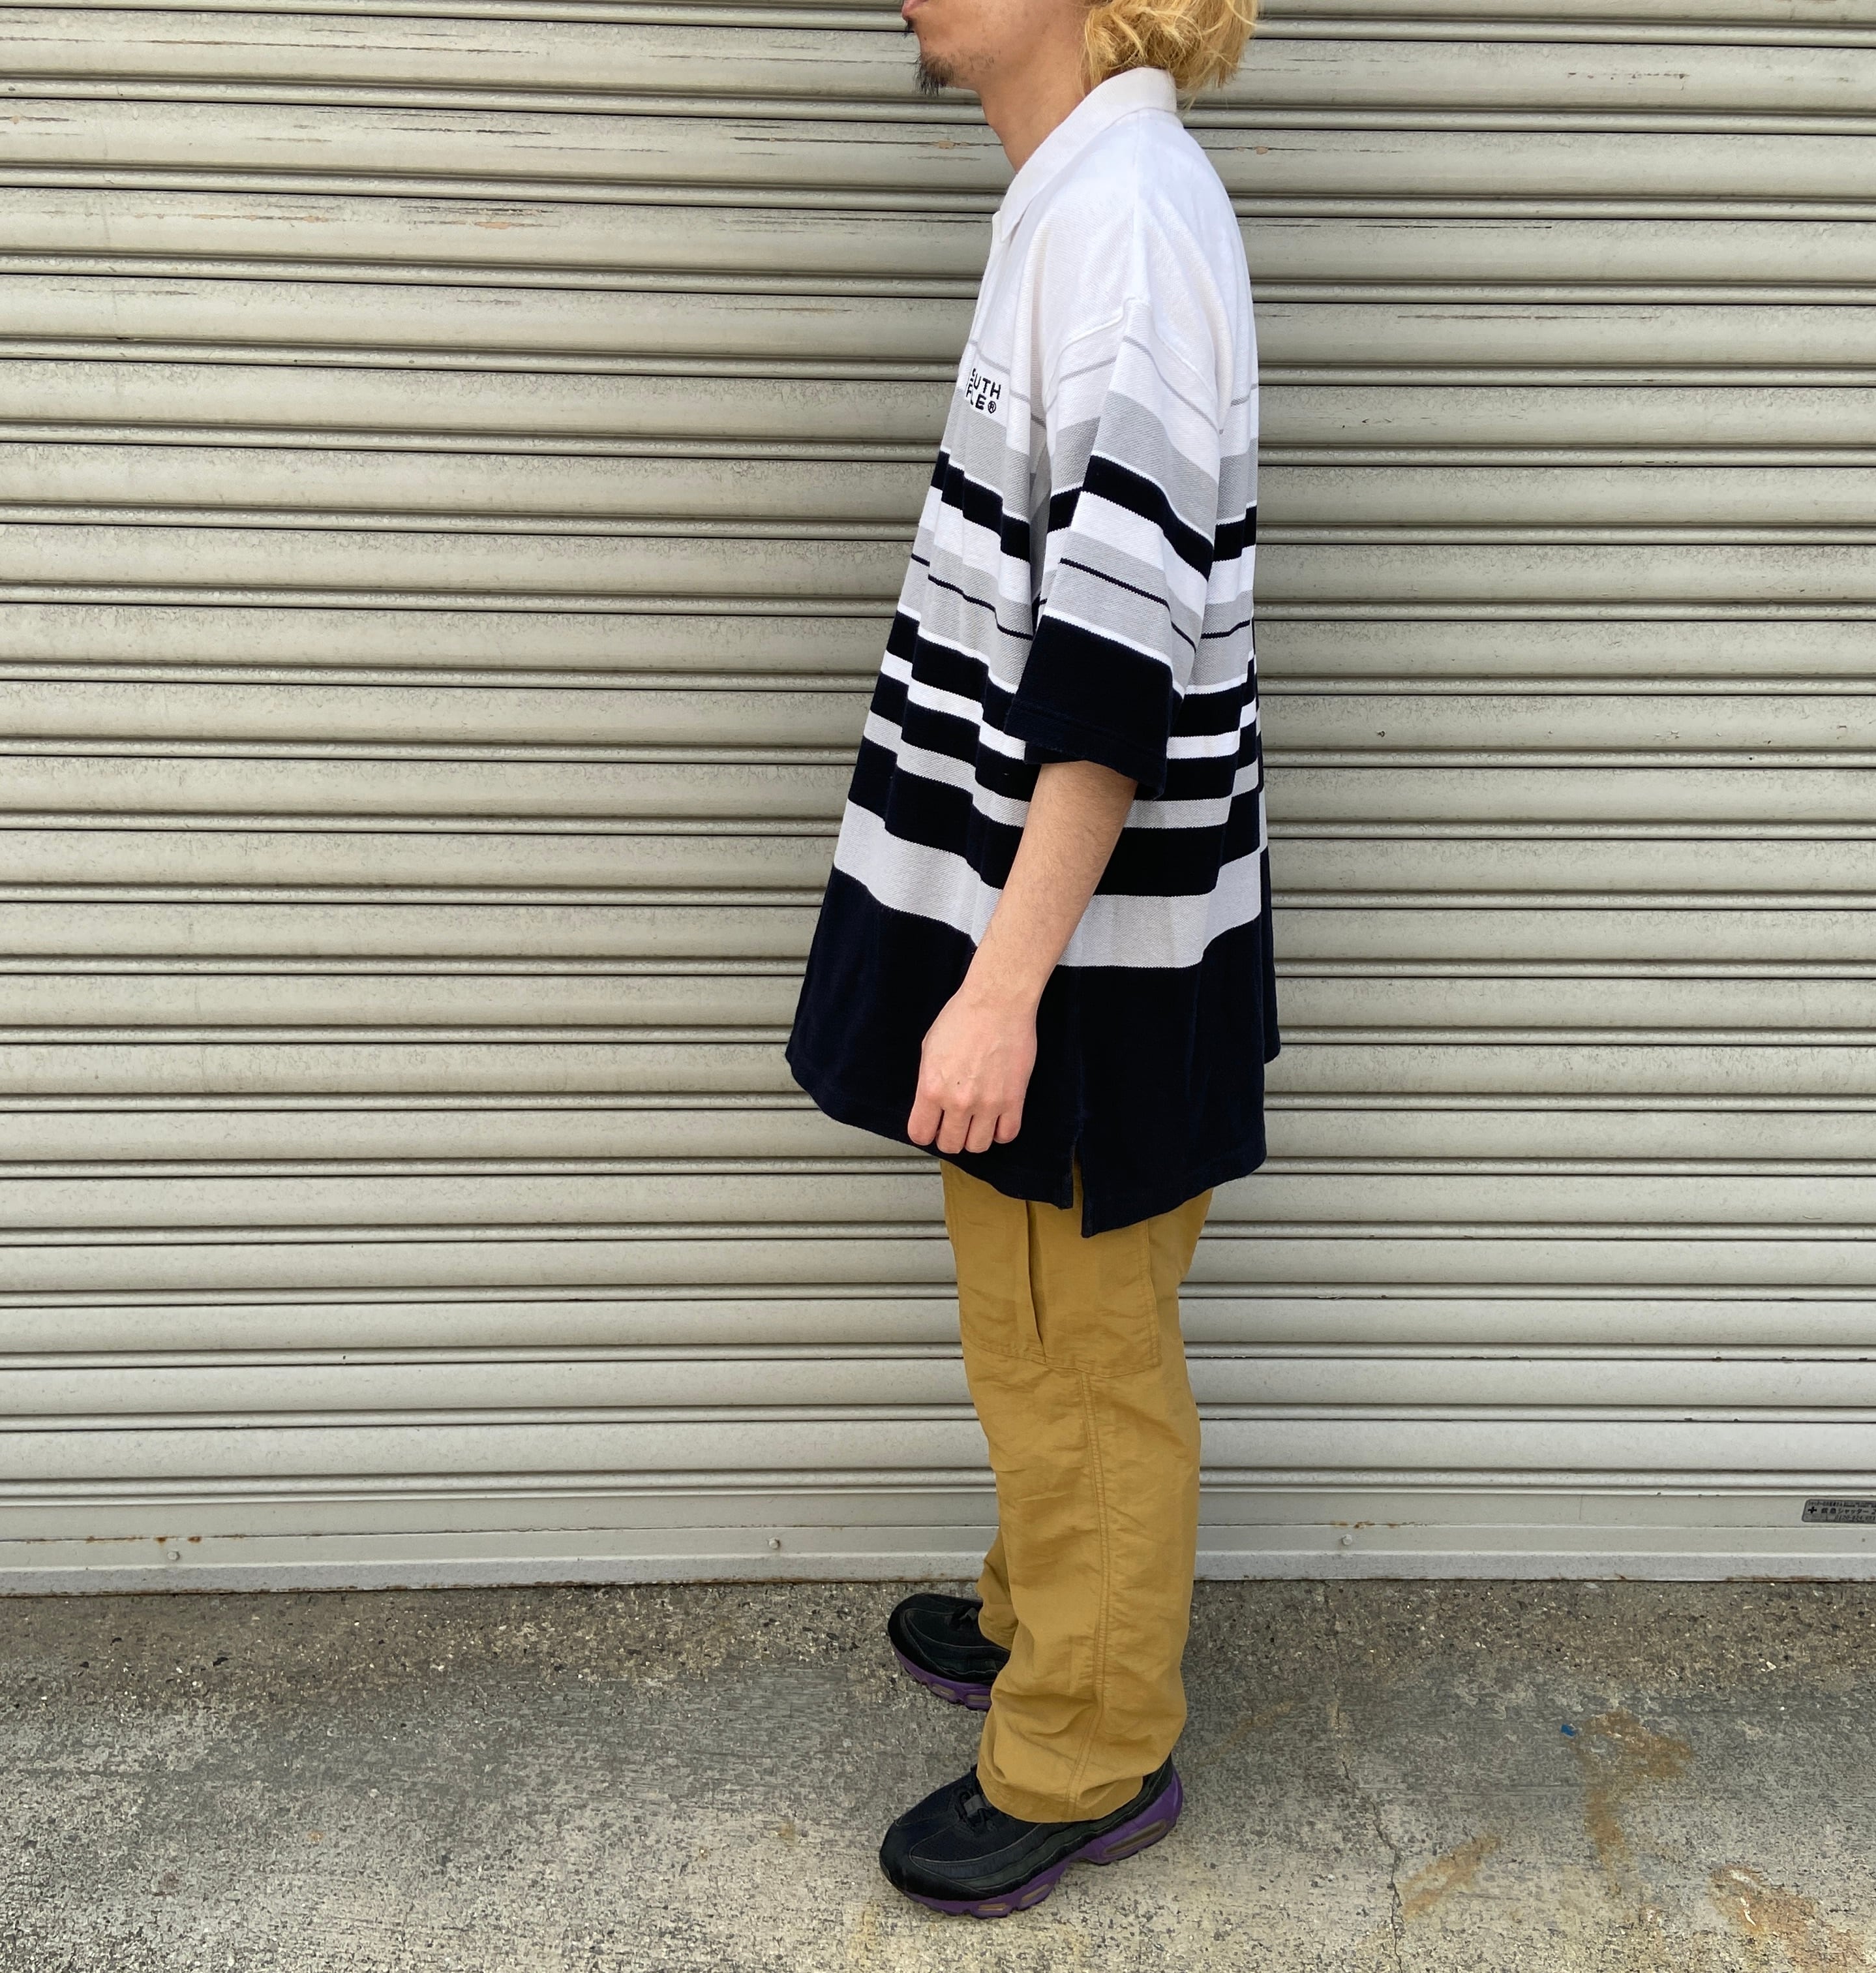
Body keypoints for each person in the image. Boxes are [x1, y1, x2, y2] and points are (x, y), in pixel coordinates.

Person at [784, 0, 1271, 1920]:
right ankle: (1036, 1611)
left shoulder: (1125, 219)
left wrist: (1001, 988)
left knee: (1085, 1361)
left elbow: (1117, 667)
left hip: (1085, 957)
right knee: (1034, 1328)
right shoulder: (1078, 195)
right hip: (1050, 928)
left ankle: (1089, 1747)